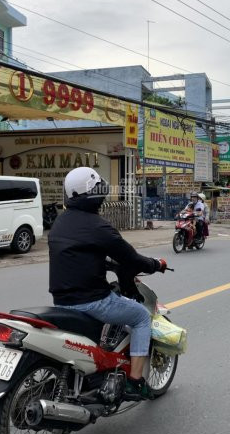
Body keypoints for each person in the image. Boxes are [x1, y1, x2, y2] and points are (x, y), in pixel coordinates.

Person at [48, 167, 167, 400]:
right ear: (96, 195)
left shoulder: (60, 223)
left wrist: (105, 265)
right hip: (92, 302)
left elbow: (78, 257)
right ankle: (135, 381)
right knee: (141, 318)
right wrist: (155, 264)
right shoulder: (98, 227)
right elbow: (132, 259)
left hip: (61, 301)